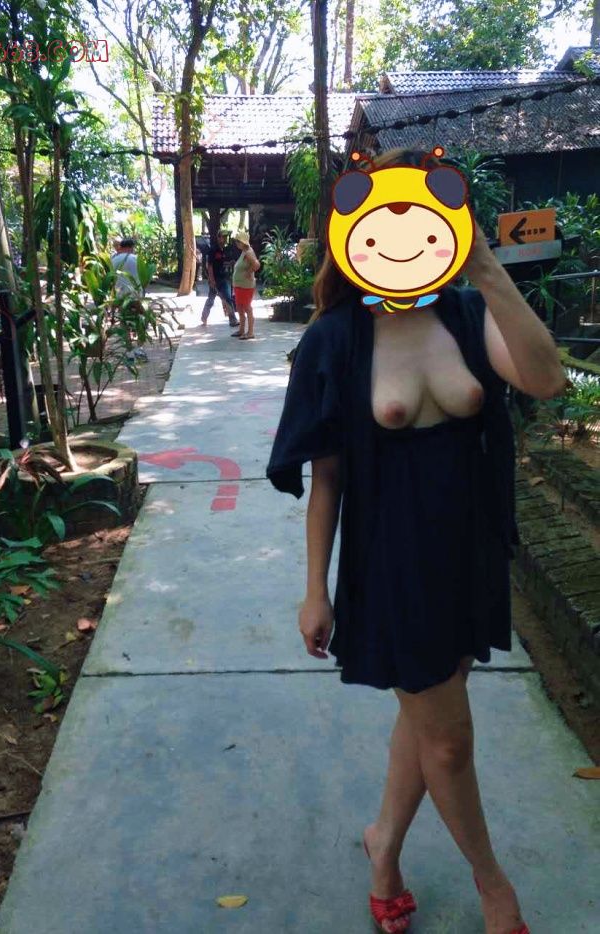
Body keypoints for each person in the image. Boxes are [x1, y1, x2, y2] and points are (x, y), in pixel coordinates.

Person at [266, 148, 567, 934]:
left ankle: (385, 846)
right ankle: (494, 888)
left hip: (468, 550)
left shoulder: (465, 314)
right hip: (393, 563)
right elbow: (327, 479)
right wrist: (315, 588)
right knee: (450, 742)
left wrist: (488, 268)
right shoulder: (335, 340)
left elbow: (546, 379)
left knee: (427, 719)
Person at [202, 231, 239, 327]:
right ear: (218, 238)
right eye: (223, 237)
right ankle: (204, 317)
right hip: (215, 279)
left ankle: (233, 319)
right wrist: (212, 280)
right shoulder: (213, 250)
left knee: (228, 298)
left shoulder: (223, 250)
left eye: (226, 237)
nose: (225, 239)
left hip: (223, 278)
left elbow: (220, 263)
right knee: (211, 299)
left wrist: (229, 263)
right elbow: (209, 265)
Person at [231, 230, 261, 339]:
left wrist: (249, 272)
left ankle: (250, 332)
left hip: (245, 286)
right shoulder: (244, 251)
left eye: (238, 241)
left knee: (247, 307)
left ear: (243, 242)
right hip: (239, 285)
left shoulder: (248, 252)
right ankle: (241, 330)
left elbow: (257, 265)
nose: (236, 243)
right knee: (240, 307)